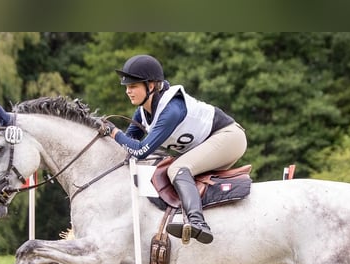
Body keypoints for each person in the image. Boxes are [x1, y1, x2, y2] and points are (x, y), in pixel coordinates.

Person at [99, 54, 247, 244]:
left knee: (176, 169)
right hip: (211, 142)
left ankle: (197, 222)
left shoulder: (171, 110)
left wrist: (112, 131)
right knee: (170, 169)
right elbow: (129, 144)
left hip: (229, 137)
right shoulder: (143, 111)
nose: (128, 91)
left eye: (133, 86)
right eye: (127, 87)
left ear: (151, 86)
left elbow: (140, 150)